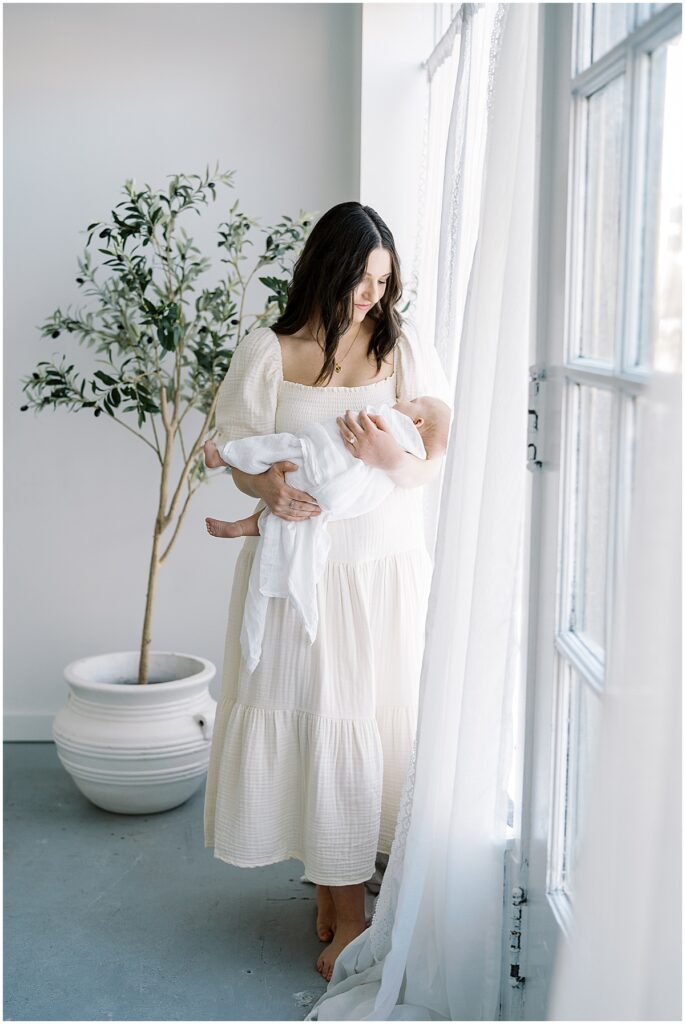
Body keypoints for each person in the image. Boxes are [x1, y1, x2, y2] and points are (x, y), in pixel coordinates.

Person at [203, 201, 453, 983]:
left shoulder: (402, 347)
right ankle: (346, 909)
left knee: (366, 727)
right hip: (301, 574)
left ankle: (345, 899)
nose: (370, 296)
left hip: (379, 571)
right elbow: (235, 451)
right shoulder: (269, 350)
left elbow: (434, 459)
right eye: (359, 279)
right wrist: (267, 490)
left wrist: (390, 457)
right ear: (326, 269)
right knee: (319, 721)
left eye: (383, 281)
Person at [202, 395, 451, 674]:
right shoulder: (267, 353)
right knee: (293, 509)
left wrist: (391, 459)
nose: (403, 398)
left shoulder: (396, 422)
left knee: (279, 447)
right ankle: (247, 524)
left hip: (321, 468)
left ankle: (222, 456)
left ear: (416, 421)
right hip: (330, 497)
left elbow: (433, 465)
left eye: (412, 401)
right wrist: (262, 486)